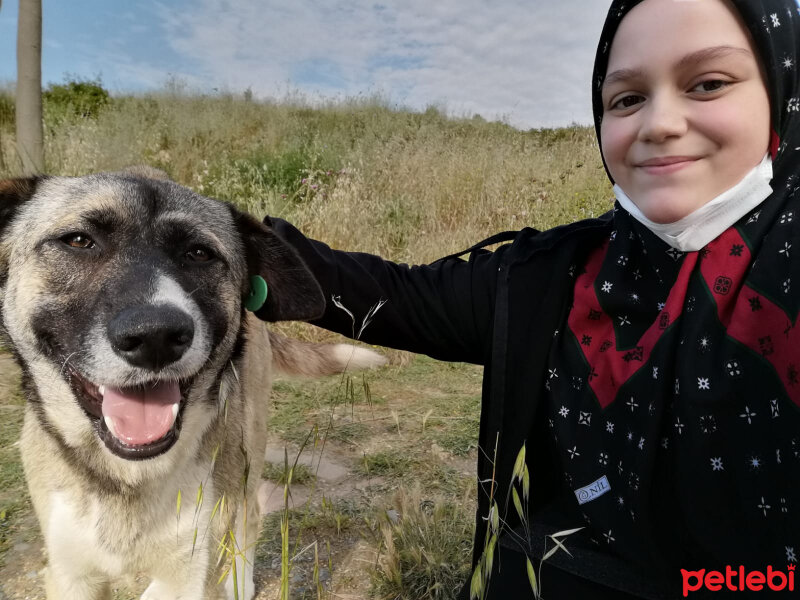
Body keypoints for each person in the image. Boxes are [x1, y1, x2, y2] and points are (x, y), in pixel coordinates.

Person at [256, 0, 800, 597]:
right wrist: (237, 253)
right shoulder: (554, 274)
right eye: (626, 98)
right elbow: (399, 295)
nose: (660, 123)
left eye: (708, 84)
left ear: (781, 87)